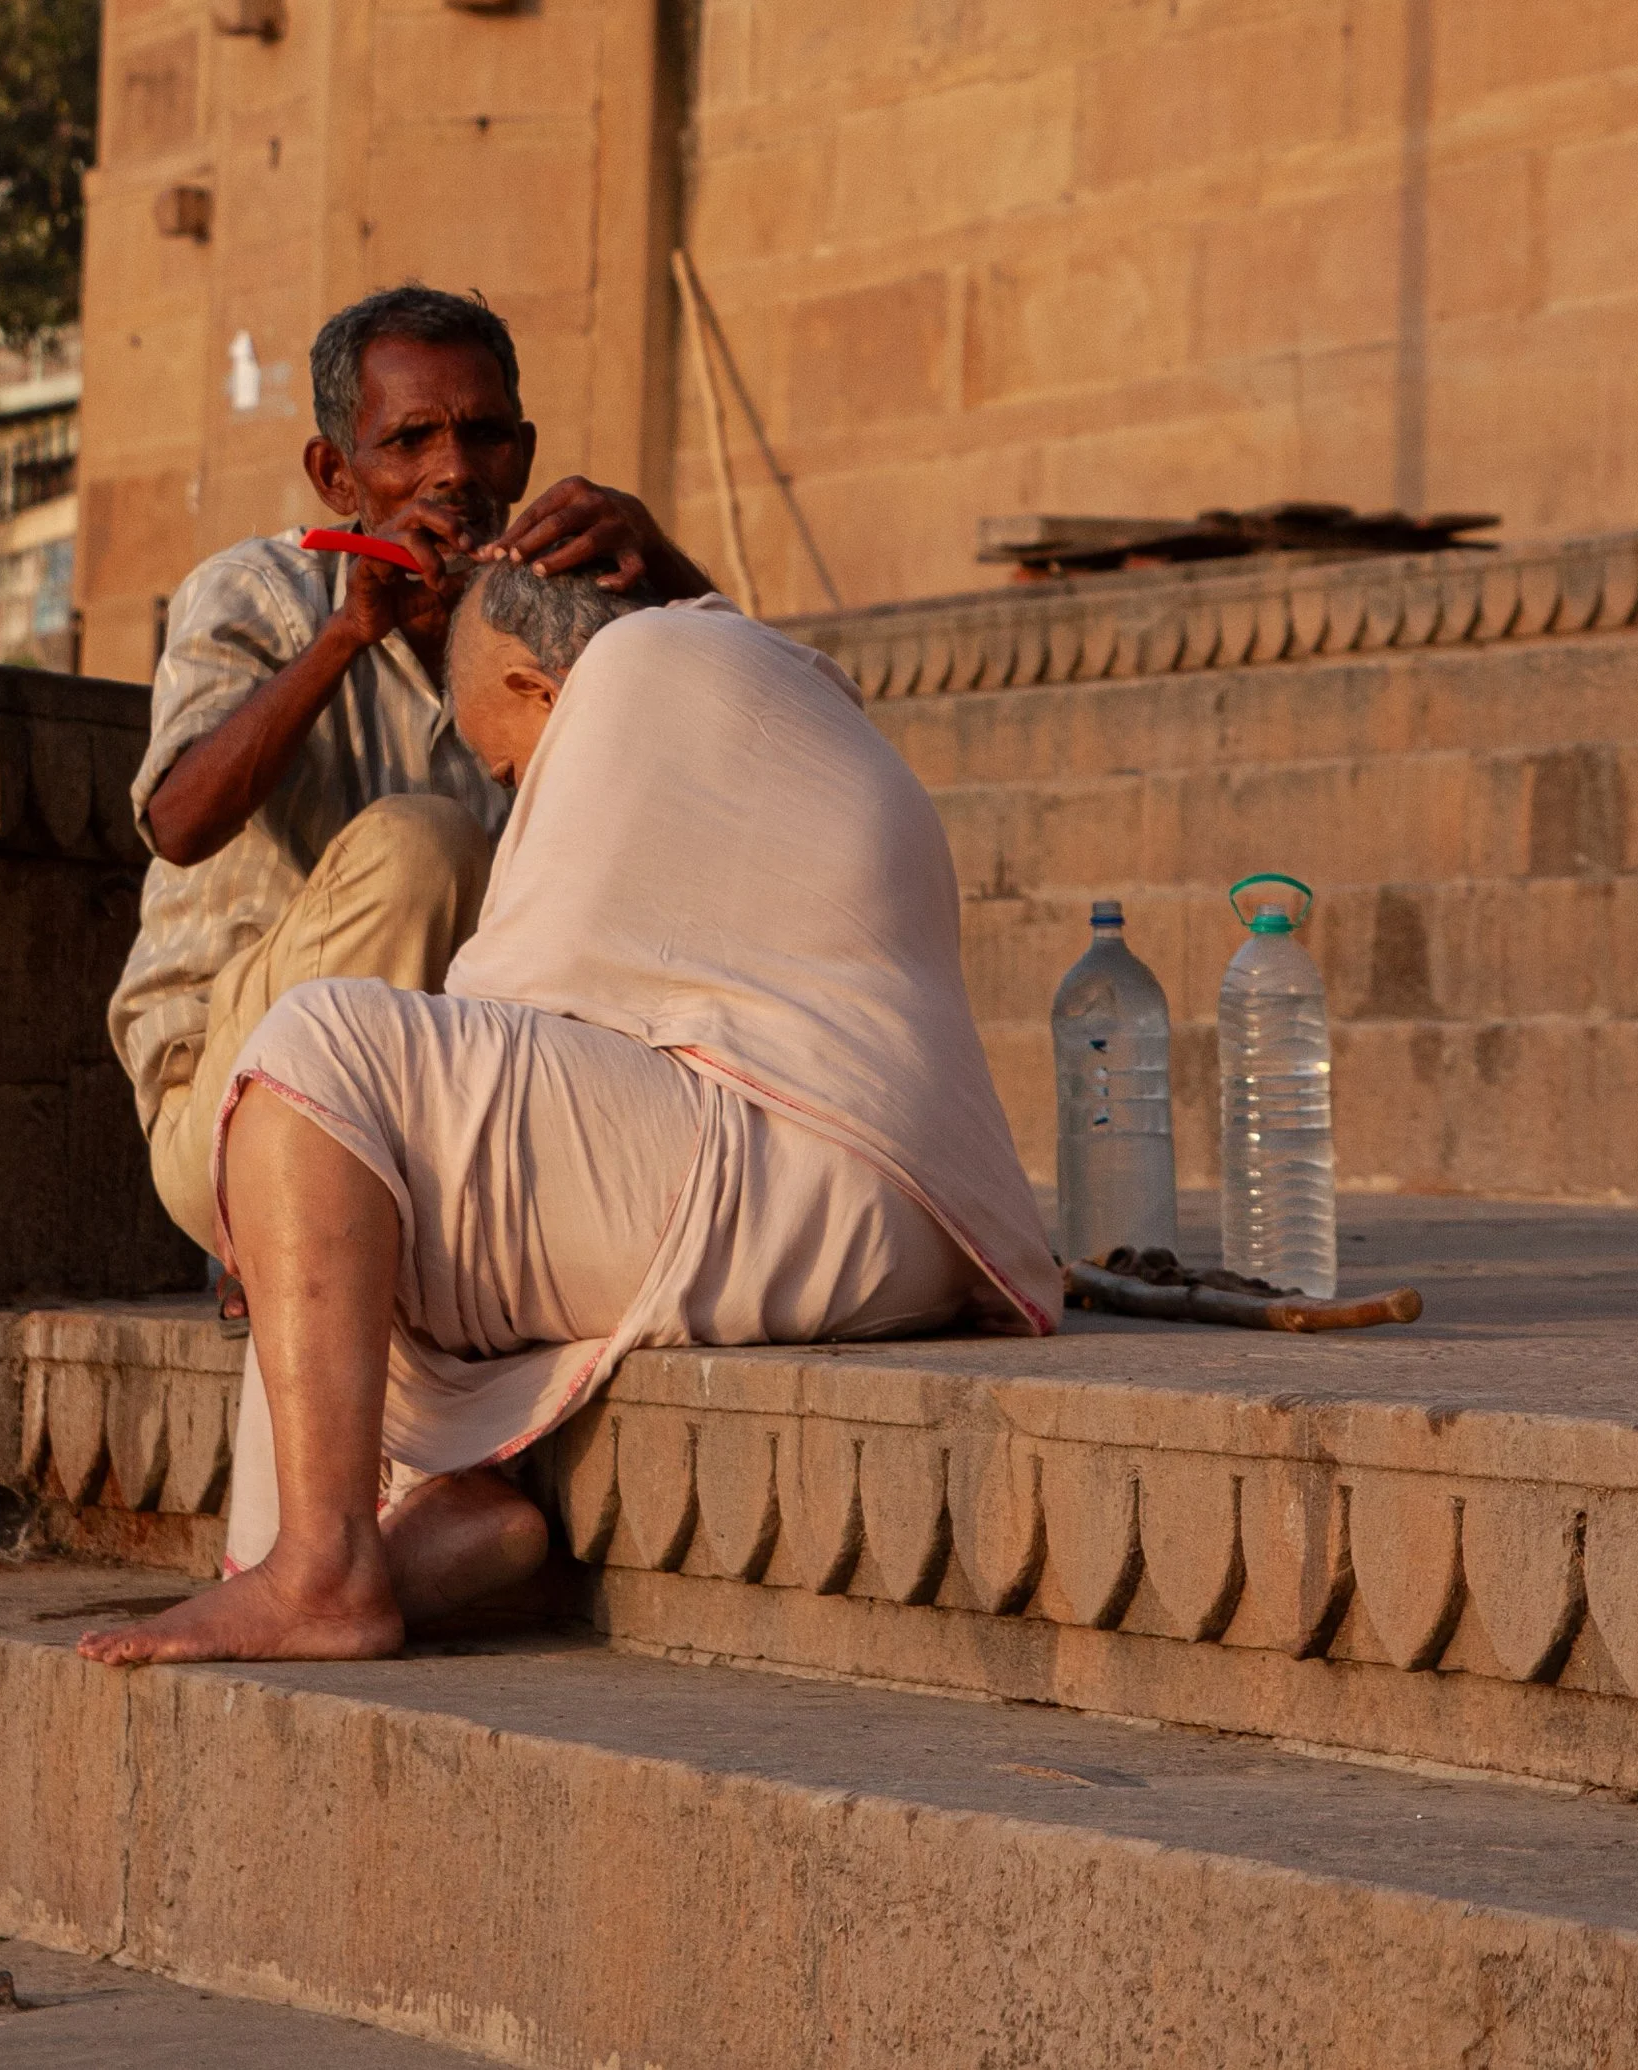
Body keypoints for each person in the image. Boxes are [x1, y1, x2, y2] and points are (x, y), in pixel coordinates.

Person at [80, 561, 1059, 1666]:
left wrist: (299, 1188)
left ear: (538, 684)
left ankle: (320, 1563)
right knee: (355, 1170)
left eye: (507, 764)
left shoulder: (625, 674)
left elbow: (510, 1003)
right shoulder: (764, 670)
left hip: (784, 1170)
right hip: (912, 1228)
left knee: (323, 1061)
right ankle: (412, 1530)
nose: (513, 791)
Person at [108, 283, 711, 1269]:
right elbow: (177, 821)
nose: (453, 474)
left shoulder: (554, 618)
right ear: (335, 475)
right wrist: (349, 633)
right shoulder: (257, 593)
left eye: (482, 439)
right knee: (419, 844)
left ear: (521, 452)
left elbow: (775, 763)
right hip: (231, 1114)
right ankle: (293, 1223)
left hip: (464, 1122)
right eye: (409, 443)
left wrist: (666, 571)